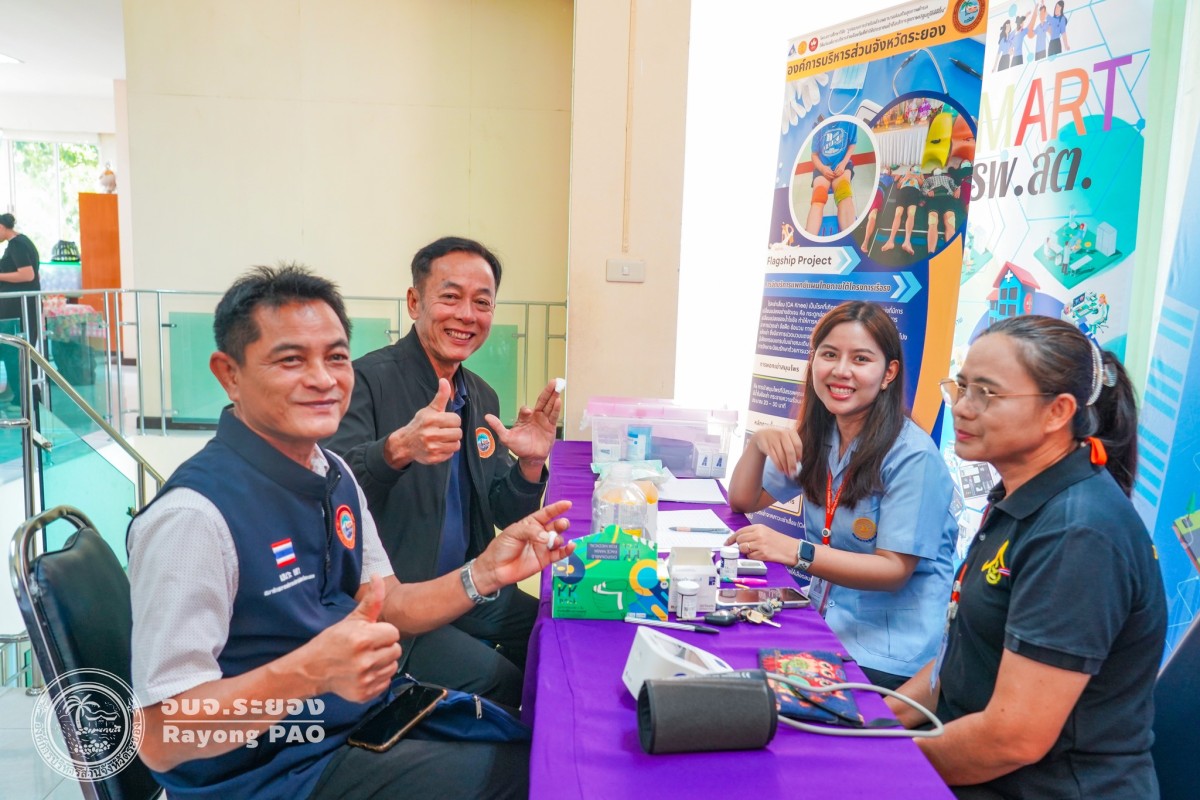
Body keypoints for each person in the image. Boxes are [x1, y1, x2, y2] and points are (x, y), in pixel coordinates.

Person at [128, 265, 575, 800]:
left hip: (356, 722)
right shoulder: (194, 518)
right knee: (539, 781)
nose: (322, 379)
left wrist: (483, 573)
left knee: (544, 751)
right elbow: (160, 737)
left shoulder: (332, 474)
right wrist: (309, 672)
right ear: (230, 374)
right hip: (271, 772)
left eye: (336, 357)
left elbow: (389, 605)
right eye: (291, 359)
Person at [886, 315, 1166, 798]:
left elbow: (1013, 739)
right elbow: (955, 665)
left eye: (986, 393)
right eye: (962, 387)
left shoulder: (1078, 533)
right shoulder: (1019, 499)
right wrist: (865, 723)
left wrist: (881, 762)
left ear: (1058, 412)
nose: (962, 407)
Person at [325, 236, 559, 708]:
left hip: (466, 585)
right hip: (399, 603)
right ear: (415, 302)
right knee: (503, 680)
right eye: (450, 297)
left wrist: (531, 463)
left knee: (549, 635)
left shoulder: (481, 395)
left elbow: (502, 510)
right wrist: (396, 450)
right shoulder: (364, 381)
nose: (467, 315)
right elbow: (331, 491)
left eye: (482, 302)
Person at [726, 301, 956, 689]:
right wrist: (757, 445)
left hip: (887, 655)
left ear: (888, 373)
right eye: (829, 354)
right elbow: (744, 500)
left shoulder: (913, 456)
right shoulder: (823, 434)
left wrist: (795, 551)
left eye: (861, 359)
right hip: (823, 623)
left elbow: (894, 571)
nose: (841, 370)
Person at [0, 213, 41, 408]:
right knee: (18, 351)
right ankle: (23, 394)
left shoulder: (17, 244)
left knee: (14, 351)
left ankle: (24, 396)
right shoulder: (20, 243)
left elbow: (27, 274)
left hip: (18, 309)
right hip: (20, 307)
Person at [804, 119, 858, 236]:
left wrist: (843, 163)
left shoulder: (850, 120)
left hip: (842, 164)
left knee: (843, 192)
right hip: (823, 166)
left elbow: (852, 144)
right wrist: (822, 168)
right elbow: (814, 155)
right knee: (818, 196)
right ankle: (809, 240)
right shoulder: (818, 124)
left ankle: (849, 237)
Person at [880, 165, 923, 256]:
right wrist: (905, 178)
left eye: (917, 166)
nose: (915, 167)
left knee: (911, 214)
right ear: (910, 168)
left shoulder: (919, 174)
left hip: (914, 191)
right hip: (903, 191)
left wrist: (914, 176)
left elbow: (921, 184)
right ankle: (890, 241)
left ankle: (907, 242)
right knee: (898, 214)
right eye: (914, 166)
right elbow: (898, 186)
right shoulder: (904, 174)